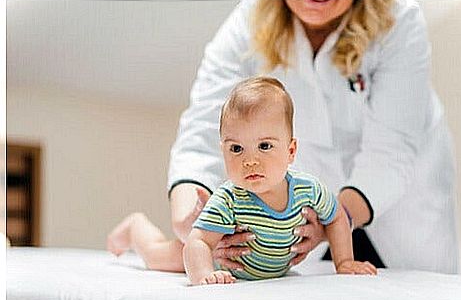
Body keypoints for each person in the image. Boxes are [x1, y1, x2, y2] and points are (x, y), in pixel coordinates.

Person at [164, 0, 460, 274]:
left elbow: (390, 153)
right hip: (305, 223)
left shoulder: (400, 20)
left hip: (399, 211)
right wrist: (191, 211)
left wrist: (332, 222)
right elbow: (202, 131)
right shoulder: (249, 20)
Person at [108, 77, 377, 284]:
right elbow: (198, 243)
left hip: (268, 266)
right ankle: (135, 228)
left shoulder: (309, 190)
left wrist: (343, 262)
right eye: (236, 149)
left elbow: (337, 217)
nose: (250, 161)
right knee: (157, 257)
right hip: (219, 261)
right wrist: (204, 275)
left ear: (291, 151)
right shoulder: (228, 199)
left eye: (264, 146)